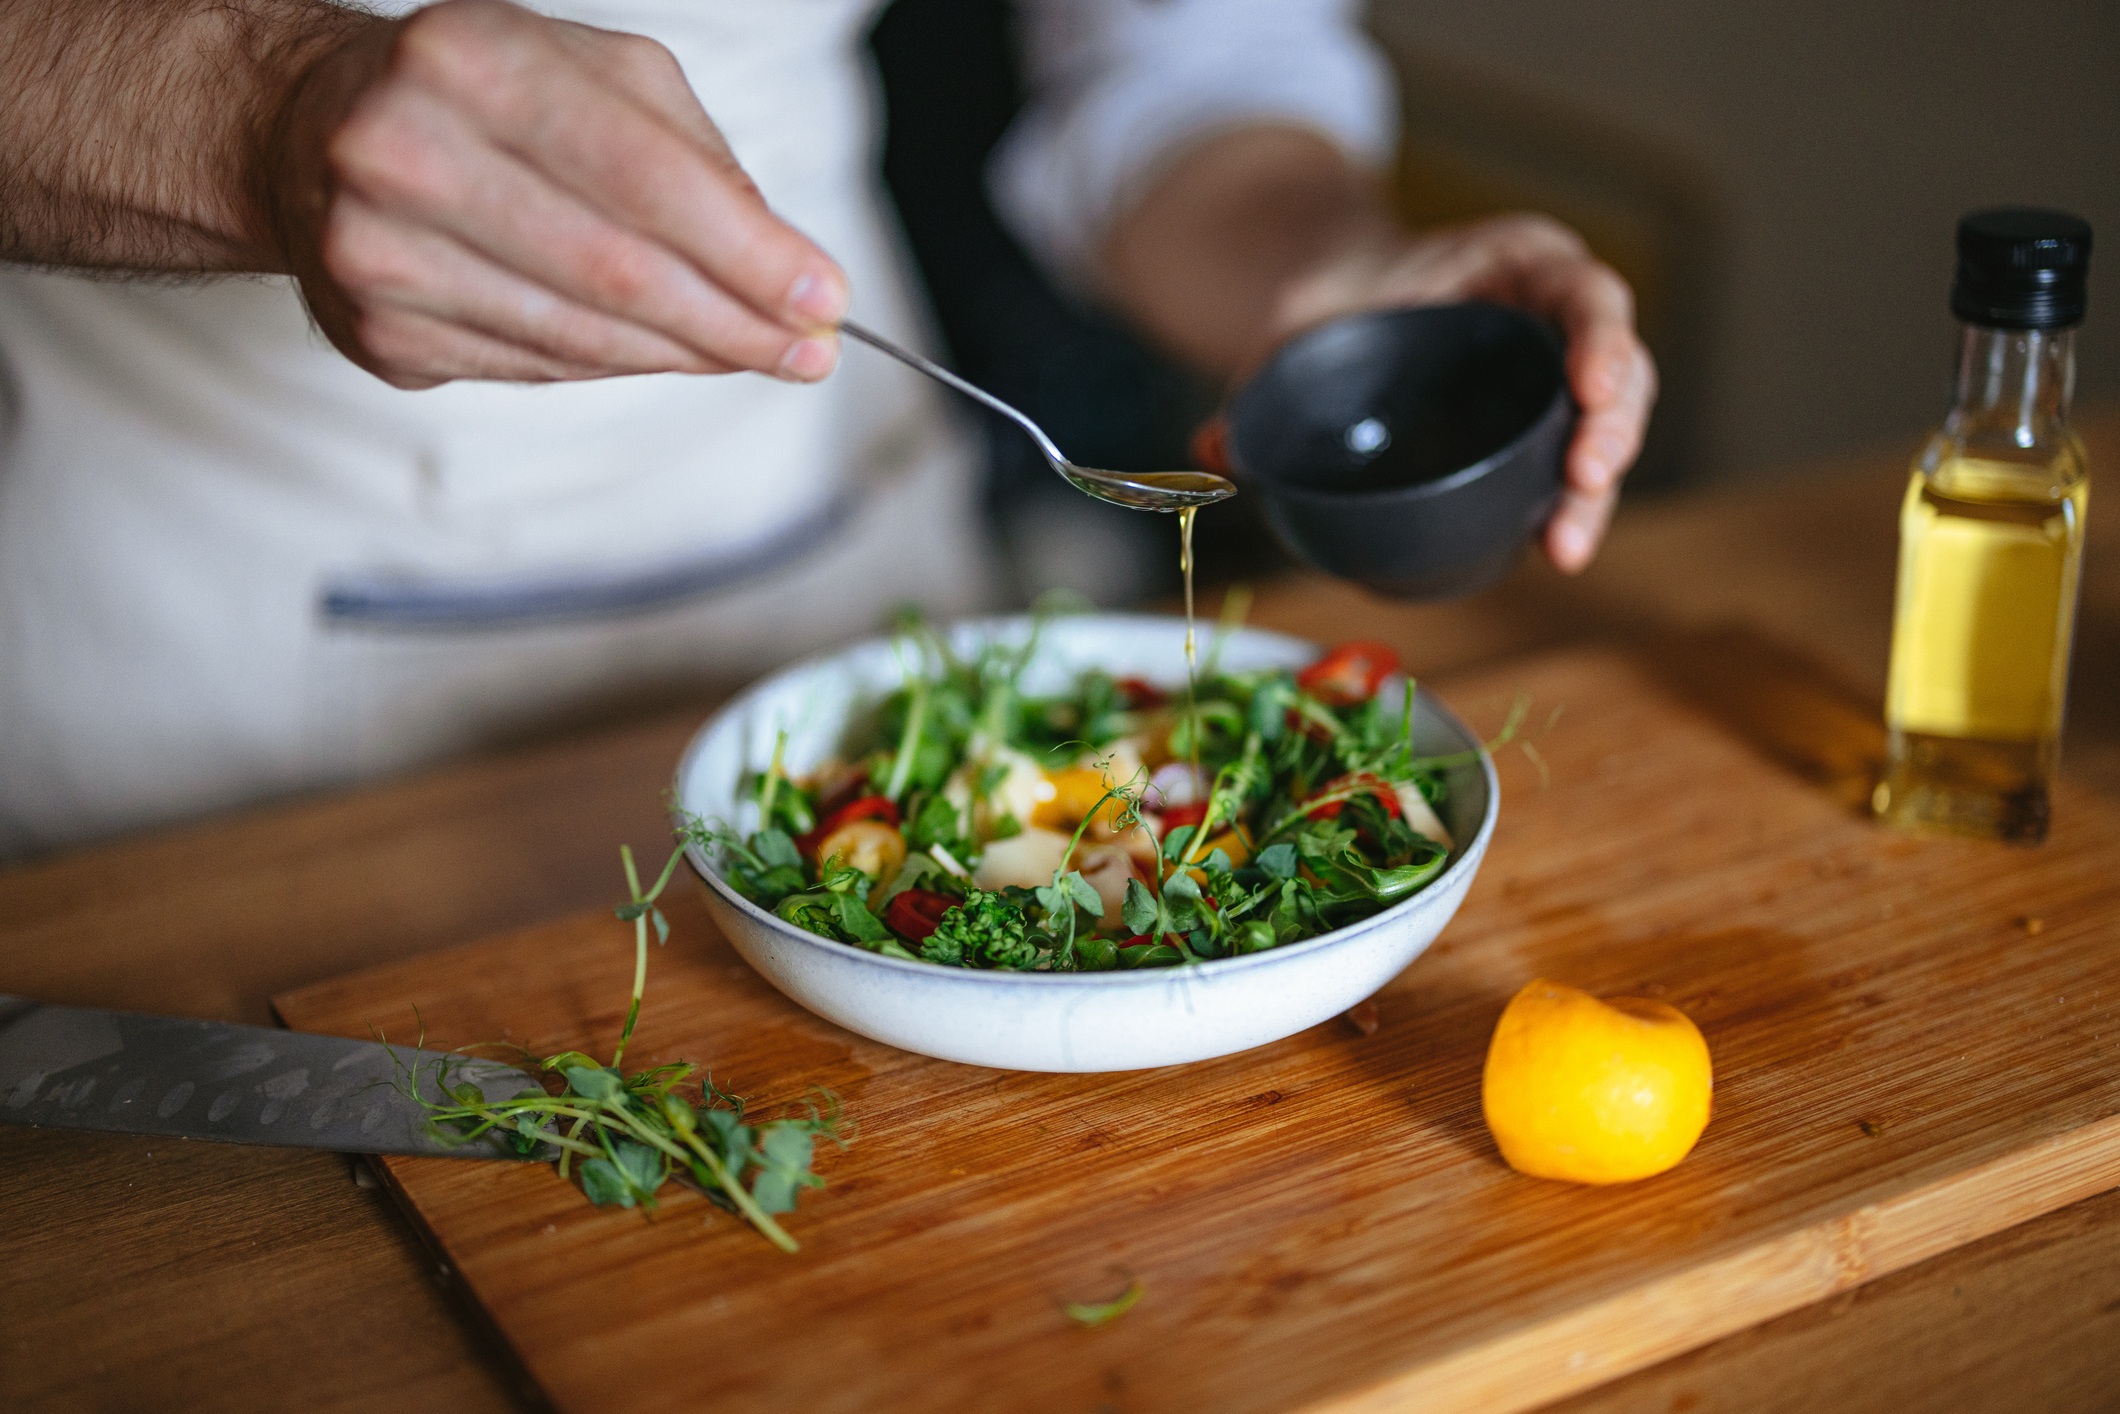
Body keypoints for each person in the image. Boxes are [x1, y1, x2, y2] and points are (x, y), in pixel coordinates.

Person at [0, 0, 1655, 858]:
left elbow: (1193, 64)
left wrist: (1341, 276)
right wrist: (255, 118)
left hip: (831, 559)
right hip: (203, 684)